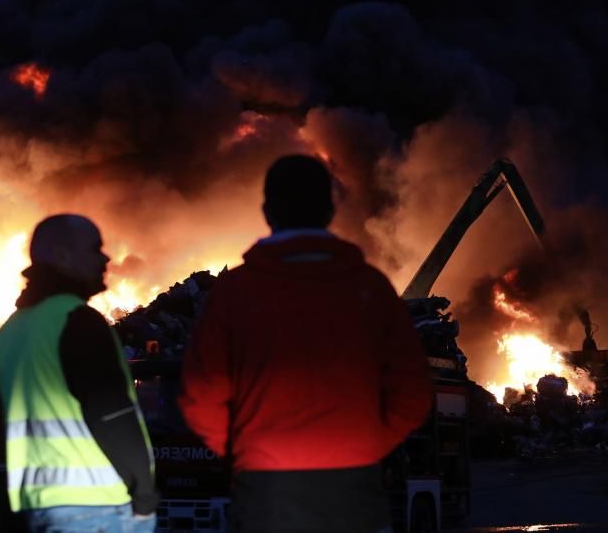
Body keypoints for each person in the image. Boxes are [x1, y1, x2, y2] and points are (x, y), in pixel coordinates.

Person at [179, 154, 433, 532]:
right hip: (354, 486)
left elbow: (200, 394)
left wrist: (244, 451)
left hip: (266, 487)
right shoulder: (369, 287)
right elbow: (413, 392)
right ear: (331, 208)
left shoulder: (235, 291)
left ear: (267, 211)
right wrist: (368, 444)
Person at [0, 214, 158, 533]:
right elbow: (112, 415)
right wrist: (144, 492)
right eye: (95, 248)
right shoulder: (78, 321)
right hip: (100, 504)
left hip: (36, 503)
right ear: (63, 255)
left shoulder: (11, 331)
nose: (105, 258)